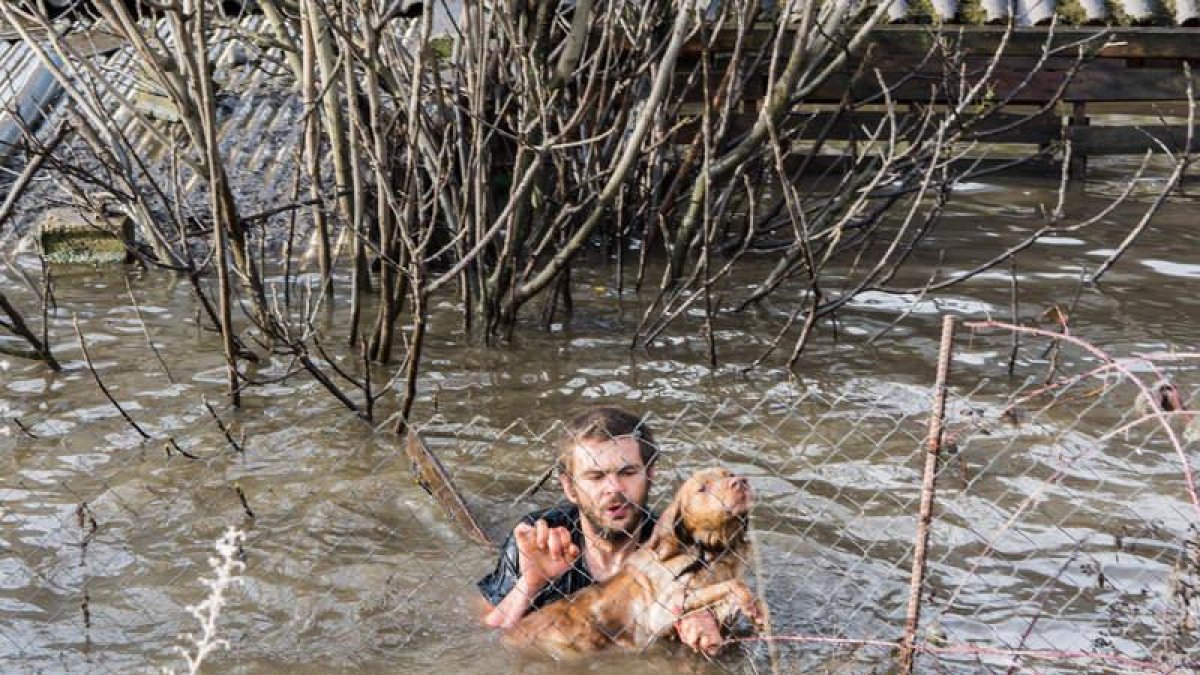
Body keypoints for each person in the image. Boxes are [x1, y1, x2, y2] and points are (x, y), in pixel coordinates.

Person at [478, 406, 726, 655]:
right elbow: (489, 639)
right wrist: (531, 583)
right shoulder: (539, 536)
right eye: (596, 477)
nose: (614, 489)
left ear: (650, 474)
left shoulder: (677, 545)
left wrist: (704, 622)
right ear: (570, 487)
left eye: (628, 472)